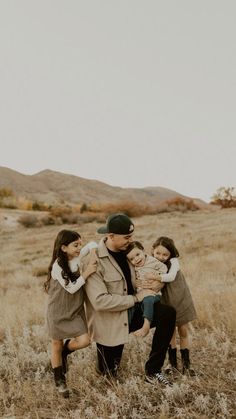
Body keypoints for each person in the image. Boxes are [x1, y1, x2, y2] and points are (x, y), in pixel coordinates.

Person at [83, 213, 176, 386]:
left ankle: (153, 371)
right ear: (110, 236)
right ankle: (105, 366)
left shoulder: (131, 253)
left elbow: (155, 268)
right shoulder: (94, 260)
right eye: (126, 237)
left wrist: (156, 285)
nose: (130, 240)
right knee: (108, 376)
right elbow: (99, 301)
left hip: (134, 312)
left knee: (167, 313)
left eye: (131, 236)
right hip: (110, 322)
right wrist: (136, 297)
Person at [44, 230, 97, 397]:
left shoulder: (77, 257)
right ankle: (59, 380)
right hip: (58, 309)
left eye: (80, 244)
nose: (80, 248)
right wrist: (87, 272)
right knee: (56, 344)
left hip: (75, 309)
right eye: (76, 245)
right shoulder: (58, 266)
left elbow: (93, 244)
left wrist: (93, 251)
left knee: (85, 340)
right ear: (64, 247)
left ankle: (66, 351)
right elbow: (72, 287)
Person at [151, 236, 197, 375]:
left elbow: (170, 277)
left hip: (181, 299)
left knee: (183, 331)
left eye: (165, 254)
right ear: (153, 251)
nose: (161, 257)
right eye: (158, 253)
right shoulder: (152, 263)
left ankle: (187, 365)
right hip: (167, 302)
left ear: (171, 253)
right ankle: (173, 364)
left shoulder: (174, 262)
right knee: (170, 333)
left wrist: (156, 277)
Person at [125, 240, 167, 337]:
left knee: (148, 301)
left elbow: (164, 268)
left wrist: (156, 278)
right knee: (131, 305)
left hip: (153, 294)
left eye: (137, 254)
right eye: (132, 259)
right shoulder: (134, 267)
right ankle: (126, 327)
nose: (136, 259)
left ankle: (146, 326)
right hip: (140, 294)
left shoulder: (152, 261)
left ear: (143, 251)